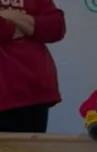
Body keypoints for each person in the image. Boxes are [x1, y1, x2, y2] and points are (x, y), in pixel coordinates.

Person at [0, 0, 65, 133]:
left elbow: (56, 27)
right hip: (4, 91)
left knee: (29, 146)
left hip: (33, 91)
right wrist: (25, 26)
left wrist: (12, 17)